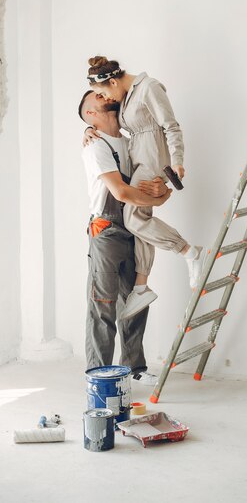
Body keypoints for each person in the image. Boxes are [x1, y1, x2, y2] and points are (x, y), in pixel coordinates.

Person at [84, 56, 208, 322]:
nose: (106, 98)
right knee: (140, 220)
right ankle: (141, 286)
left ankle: (188, 251)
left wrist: (177, 161)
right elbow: (106, 119)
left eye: (104, 92)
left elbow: (170, 125)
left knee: (133, 219)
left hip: (152, 160)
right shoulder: (127, 96)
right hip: (139, 160)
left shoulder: (149, 87)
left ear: (114, 81)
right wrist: (88, 128)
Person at [79, 89, 172, 384]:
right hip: (107, 230)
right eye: (96, 96)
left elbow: (150, 184)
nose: (104, 95)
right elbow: (120, 191)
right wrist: (157, 201)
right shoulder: (96, 146)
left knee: (135, 301)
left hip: (134, 225)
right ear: (90, 115)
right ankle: (99, 375)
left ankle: (133, 369)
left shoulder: (132, 143)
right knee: (103, 304)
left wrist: (162, 190)